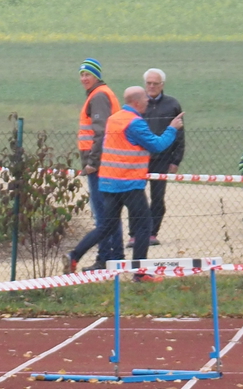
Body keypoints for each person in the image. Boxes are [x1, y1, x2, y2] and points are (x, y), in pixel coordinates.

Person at [65, 84, 181, 272]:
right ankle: (139, 272)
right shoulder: (134, 123)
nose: (148, 100)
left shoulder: (113, 119)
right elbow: (157, 145)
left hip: (108, 182)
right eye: (145, 98)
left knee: (106, 226)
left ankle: (74, 256)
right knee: (144, 226)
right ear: (136, 102)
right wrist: (172, 129)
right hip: (129, 183)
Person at [66, 59, 119, 270]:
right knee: (109, 214)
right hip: (106, 162)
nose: (84, 78)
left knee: (103, 215)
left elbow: (101, 131)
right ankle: (115, 257)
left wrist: (92, 162)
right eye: (81, 75)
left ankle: (105, 257)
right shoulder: (101, 94)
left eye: (88, 74)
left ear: (97, 76)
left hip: (100, 165)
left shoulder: (98, 96)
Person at [141, 68, 183, 243]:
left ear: (162, 85)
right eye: (148, 83)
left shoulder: (172, 105)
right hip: (140, 159)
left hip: (162, 159)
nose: (151, 86)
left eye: (155, 83)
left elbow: (180, 135)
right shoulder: (139, 104)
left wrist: (176, 160)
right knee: (135, 197)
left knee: (157, 198)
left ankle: (152, 233)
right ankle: (136, 234)